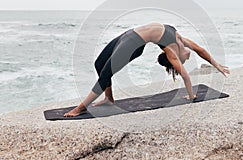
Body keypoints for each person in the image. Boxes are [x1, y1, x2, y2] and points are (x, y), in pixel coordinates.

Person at [64, 23, 230, 117]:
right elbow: (199, 54)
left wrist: (193, 95)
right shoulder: (180, 41)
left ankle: (82, 107)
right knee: (99, 64)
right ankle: (109, 98)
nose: (188, 57)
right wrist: (217, 65)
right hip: (128, 34)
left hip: (133, 43)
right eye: (186, 59)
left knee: (106, 73)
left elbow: (189, 69)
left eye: (185, 60)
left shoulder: (172, 51)